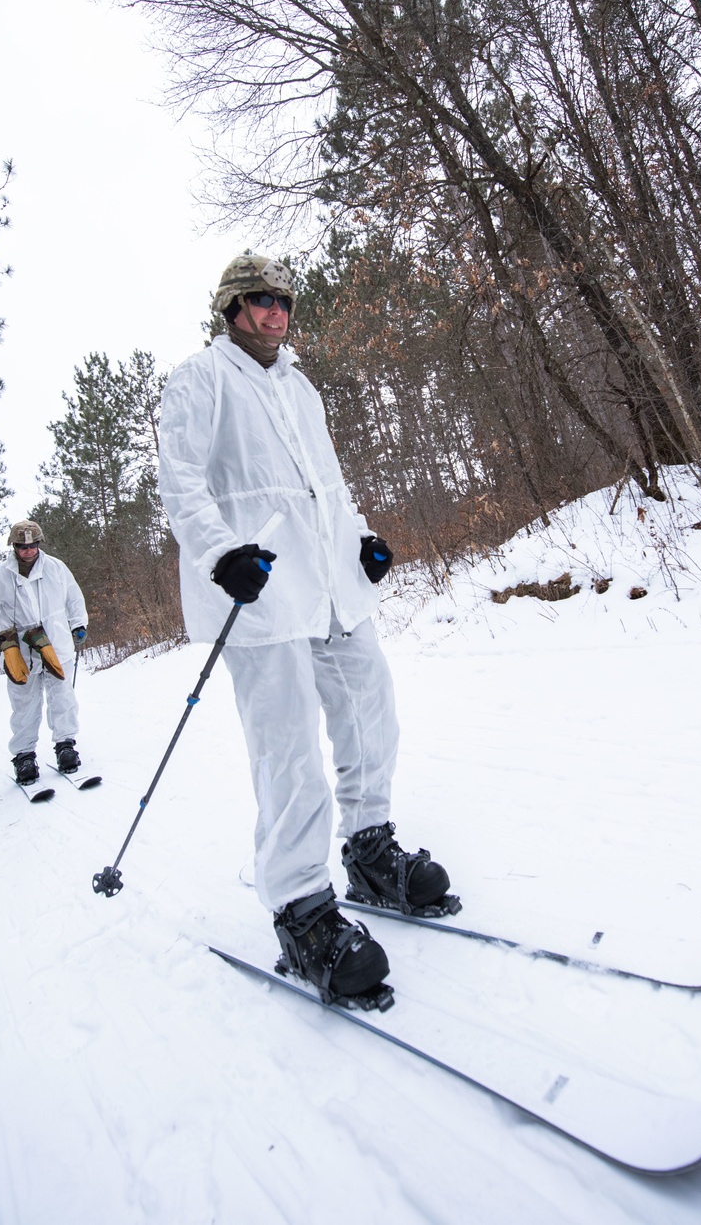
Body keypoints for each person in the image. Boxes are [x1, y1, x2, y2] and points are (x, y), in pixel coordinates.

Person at [158, 254, 457, 1006]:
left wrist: (361, 536)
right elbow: (181, 480)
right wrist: (220, 552)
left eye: (283, 299)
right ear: (231, 307)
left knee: (371, 706)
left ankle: (369, 849)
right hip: (259, 592)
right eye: (260, 299)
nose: (276, 310)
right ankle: (300, 908)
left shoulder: (300, 385)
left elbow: (328, 483)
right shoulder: (200, 379)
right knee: (288, 746)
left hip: (329, 583)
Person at [0, 520, 89, 785]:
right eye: (22, 546)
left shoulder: (56, 568)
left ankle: (65, 745)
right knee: (24, 704)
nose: (28, 551)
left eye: (32, 545)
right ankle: (24, 756)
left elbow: (73, 597)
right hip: (19, 649)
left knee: (62, 696)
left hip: (55, 641)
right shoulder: (0, 575)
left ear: (39, 544)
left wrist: (78, 623)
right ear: (14, 546)